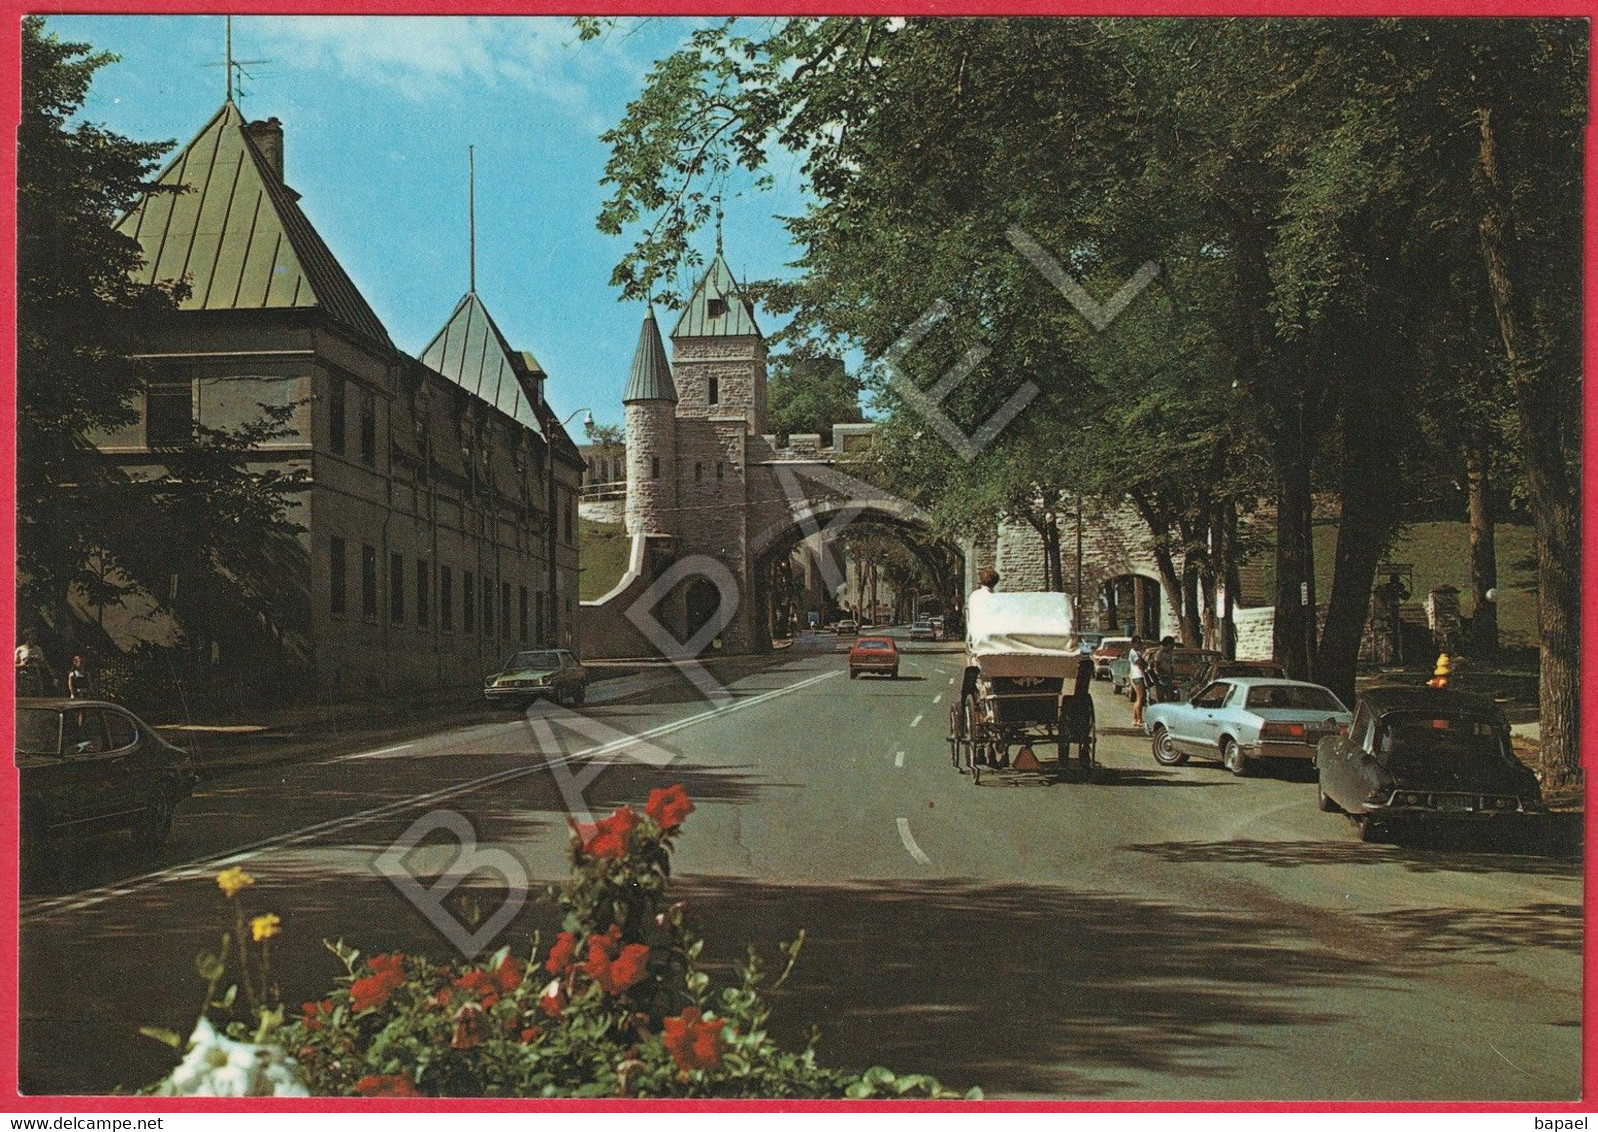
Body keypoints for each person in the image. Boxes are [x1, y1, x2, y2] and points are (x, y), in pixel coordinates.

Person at [1128, 636, 1148, 728]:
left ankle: (1135, 718)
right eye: (1138, 643)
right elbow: (1140, 663)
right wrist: (1144, 663)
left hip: (1138, 675)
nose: (1139, 644)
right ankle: (1139, 719)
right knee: (1140, 697)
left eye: (1140, 642)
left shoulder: (1137, 652)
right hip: (1137, 675)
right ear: (1133, 643)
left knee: (1138, 698)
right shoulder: (1133, 653)